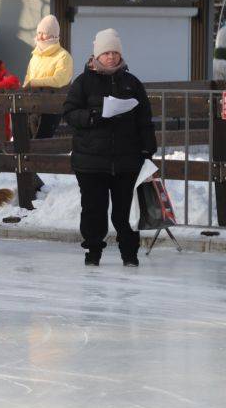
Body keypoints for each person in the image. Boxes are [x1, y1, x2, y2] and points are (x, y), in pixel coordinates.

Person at [63, 28, 156, 267]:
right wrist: (93, 116)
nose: (111, 57)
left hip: (126, 161)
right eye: (106, 53)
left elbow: (145, 119)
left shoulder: (132, 83)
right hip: (91, 161)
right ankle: (93, 252)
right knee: (94, 210)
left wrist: (148, 150)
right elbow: (70, 113)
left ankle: (130, 254)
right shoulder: (83, 83)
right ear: (97, 55)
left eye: (115, 52)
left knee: (125, 212)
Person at [23, 15, 73, 138]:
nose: (40, 36)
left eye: (44, 33)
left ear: (53, 35)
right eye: (39, 32)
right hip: (31, 106)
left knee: (42, 144)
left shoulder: (63, 56)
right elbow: (27, 79)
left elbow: (59, 80)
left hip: (51, 108)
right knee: (27, 145)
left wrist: (34, 83)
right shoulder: (35, 56)